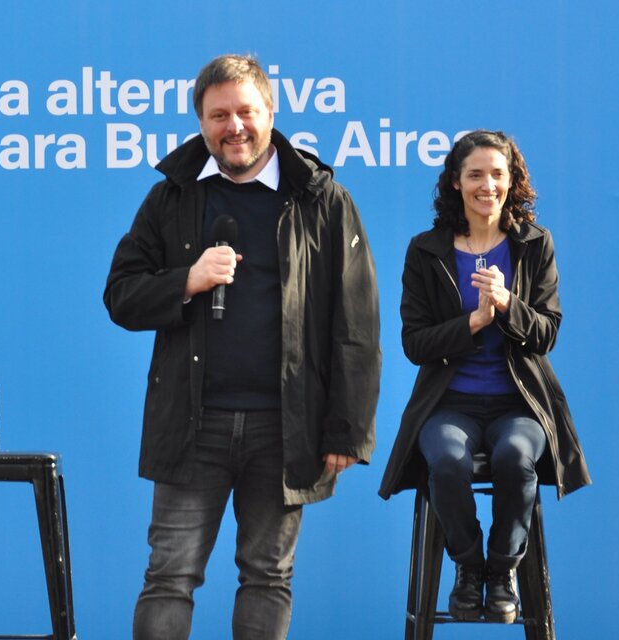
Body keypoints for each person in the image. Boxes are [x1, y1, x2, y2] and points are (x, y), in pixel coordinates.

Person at [103, 54, 380, 640]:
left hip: (286, 425)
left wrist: (347, 427)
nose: (234, 128)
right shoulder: (171, 199)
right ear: (201, 122)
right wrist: (186, 280)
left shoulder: (322, 198)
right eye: (218, 115)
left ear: (270, 113)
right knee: (169, 576)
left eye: (245, 112)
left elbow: (356, 322)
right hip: (192, 423)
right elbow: (121, 296)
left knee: (268, 576)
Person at [378, 130, 590, 623]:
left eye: (498, 174)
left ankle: (503, 571)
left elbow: (547, 332)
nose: (487, 185)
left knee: (517, 458)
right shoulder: (426, 251)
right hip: (449, 404)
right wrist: (471, 323)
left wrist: (506, 305)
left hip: (519, 404)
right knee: (447, 462)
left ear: (512, 181)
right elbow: (415, 344)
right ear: (456, 182)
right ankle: (469, 567)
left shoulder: (534, 245)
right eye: (475, 174)